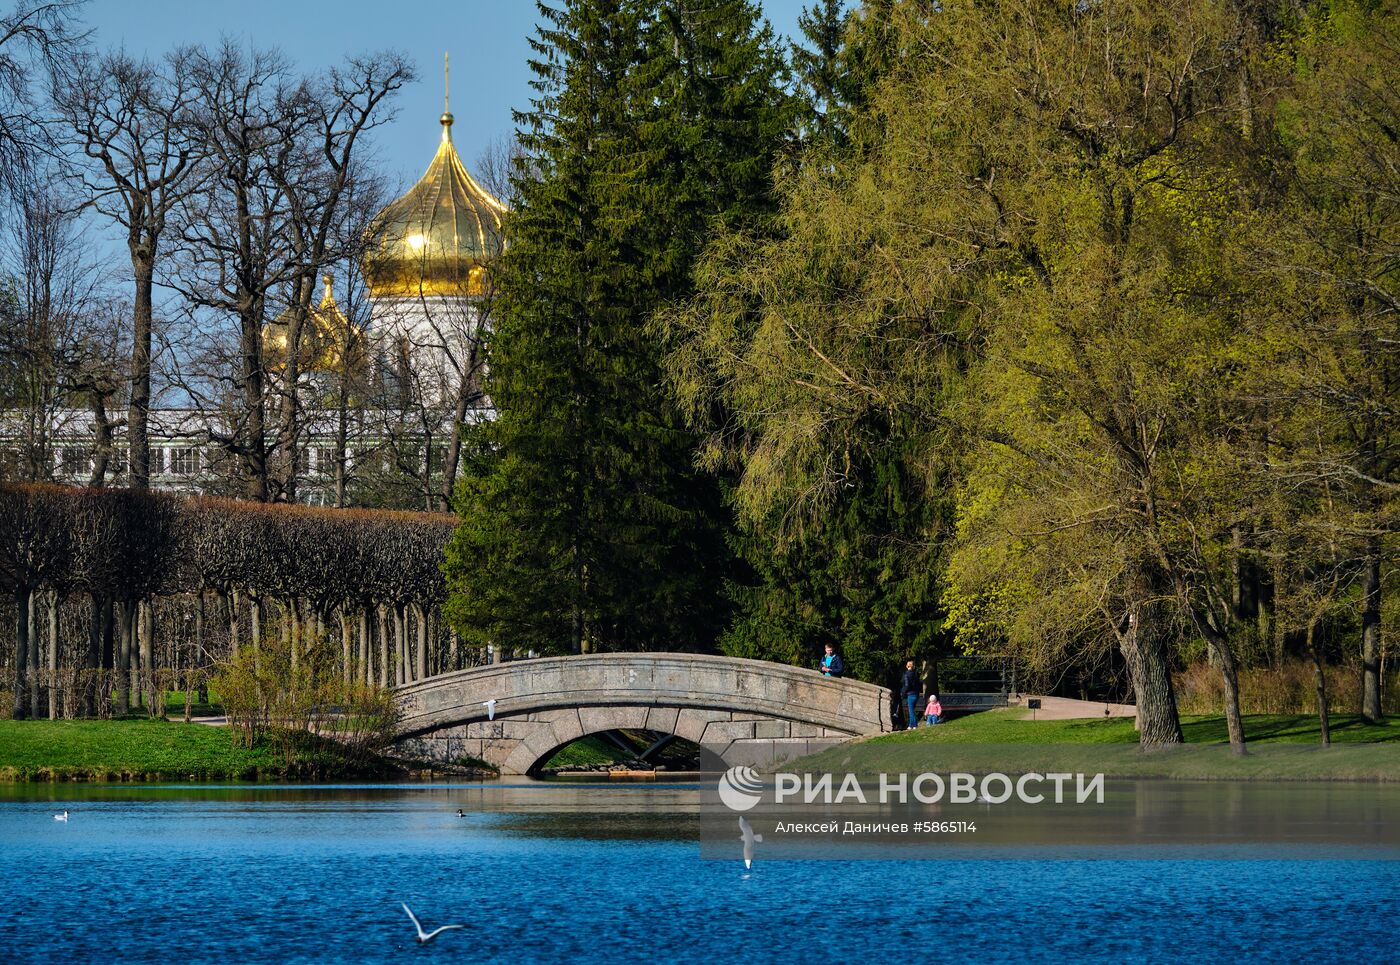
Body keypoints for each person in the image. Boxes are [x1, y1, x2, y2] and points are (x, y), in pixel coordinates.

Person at [900, 659, 920, 730]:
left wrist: (902, 693)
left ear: (907, 666)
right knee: (912, 710)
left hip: (910, 694)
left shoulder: (906, 674)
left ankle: (915, 725)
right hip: (916, 694)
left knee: (911, 711)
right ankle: (910, 725)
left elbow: (906, 685)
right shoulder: (916, 674)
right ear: (913, 666)